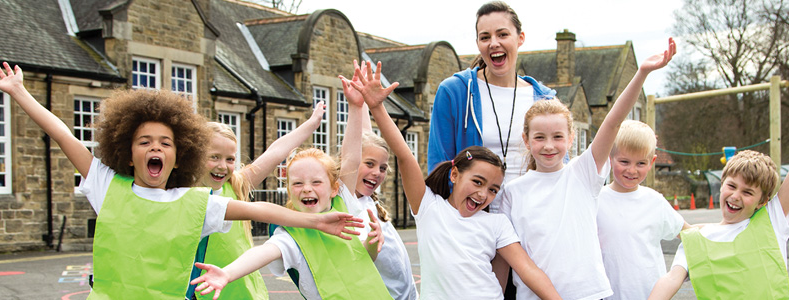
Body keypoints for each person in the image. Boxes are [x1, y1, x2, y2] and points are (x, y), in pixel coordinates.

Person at [0, 62, 363, 299]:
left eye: (165, 142)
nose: (155, 148)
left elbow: (258, 207)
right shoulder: (106, 186)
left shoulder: (194, 202)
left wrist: (314, 220)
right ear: (127, 151)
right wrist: (20, 92)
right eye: (144, 142)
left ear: (179, 154)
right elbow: (65, 135)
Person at [349, 61, 561, 299]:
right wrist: (377, 107)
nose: (484, 194)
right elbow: (405, 155)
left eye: (493, 189)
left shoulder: (497, 224)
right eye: (478, 182)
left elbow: (528, 270)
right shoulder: (429, 207)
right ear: (455, 174)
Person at [648, 91, 789, 300]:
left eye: (747, 192)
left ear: (763, 201)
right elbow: (670, 280)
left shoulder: (772, 220)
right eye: (731, 186)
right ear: (721, 185)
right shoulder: (694, 242)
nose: (736, 196)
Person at [491, 41, 677, 300]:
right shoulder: (512, 192)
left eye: (557, 137)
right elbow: (508, 259)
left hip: (588, 295)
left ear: (570, 139)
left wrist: (642, 73)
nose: (548, 146)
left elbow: (613, 122)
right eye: (539, 137)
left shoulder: (582, 173)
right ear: (526, 140)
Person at [191, 62, 390, 300]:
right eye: (297, 183)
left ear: (335, 187)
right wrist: (227, 273)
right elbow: (263, 252)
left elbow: (350, 160)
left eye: (316, 182)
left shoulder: (343, 206)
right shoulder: (290, 236)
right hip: (213, 289)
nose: (307, 188)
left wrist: (356, 108)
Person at [194, 100, 327, 299]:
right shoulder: (185, 196)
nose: (223, 166)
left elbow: (275, 153)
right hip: (207, 291)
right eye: (214, 157)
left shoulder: (235, 185)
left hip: (247, 292)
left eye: (230, 159)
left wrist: (311, 124)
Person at [428, 1, 556, 184]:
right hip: (473, 211)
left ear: (520, 38)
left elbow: (560, 166)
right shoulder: (453, 92)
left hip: (533, 210)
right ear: (478, 43)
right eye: (485, 37)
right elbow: (439, 168)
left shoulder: (545, 99)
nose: (494, 43)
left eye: (502, 34)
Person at [596, 120, 690, 300]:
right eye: (624, 161)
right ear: (610, 157)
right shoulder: (596, 200)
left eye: (640, 163)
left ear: (652, 161)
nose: (632, 170)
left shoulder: (655, 201)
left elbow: (688, 233)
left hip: (651, 295)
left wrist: (727, 230)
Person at [349, 129, 419, 299]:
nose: (377, 172)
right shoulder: (348, 203)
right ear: (351, 161)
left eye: (382, 168)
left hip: (408, 294)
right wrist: (356, 107)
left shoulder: (368, 200)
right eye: (370, 164)